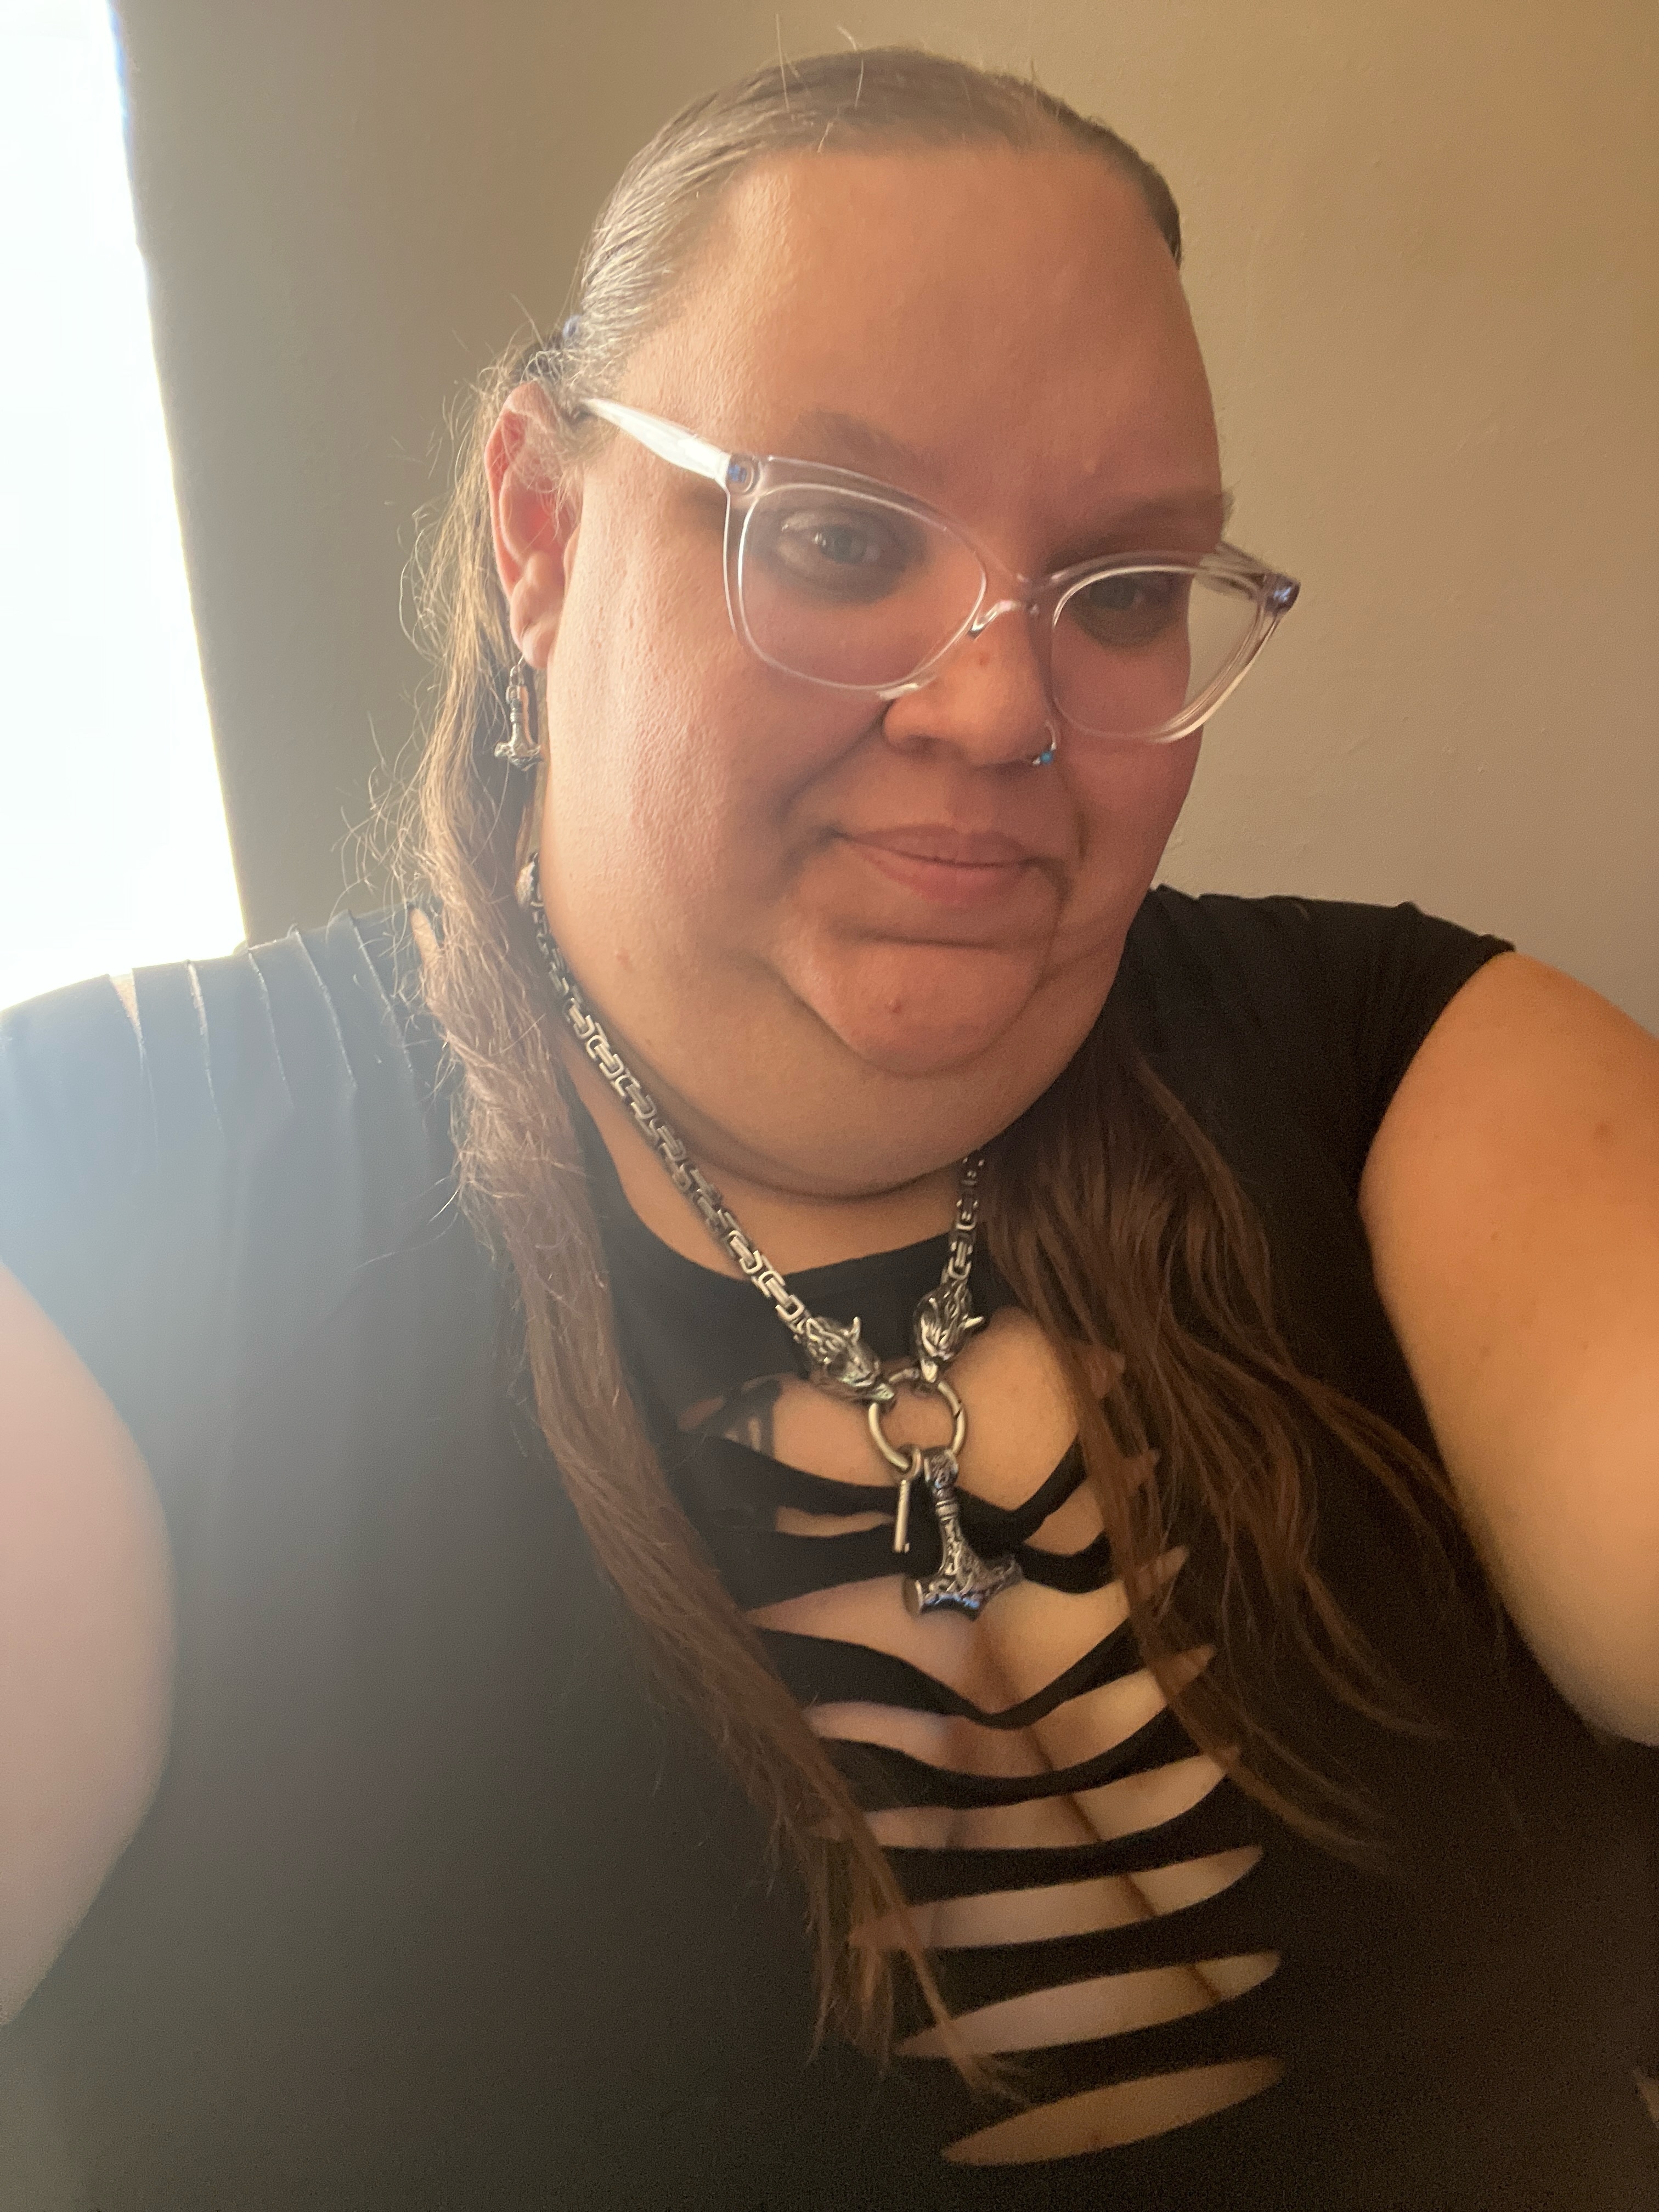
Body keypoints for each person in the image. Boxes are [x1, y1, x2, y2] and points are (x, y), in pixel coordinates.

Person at [1, 45, 1656, 2211]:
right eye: (841, 535)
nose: (997, 706)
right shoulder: (101, 1196)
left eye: (1122, 591)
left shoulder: (1408, 1070)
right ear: (540, 534)